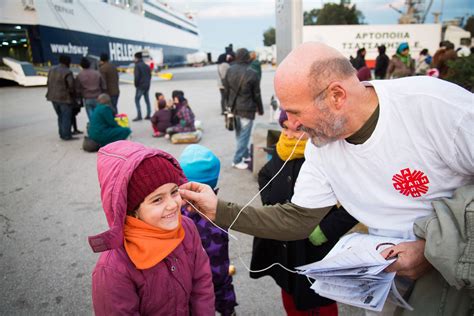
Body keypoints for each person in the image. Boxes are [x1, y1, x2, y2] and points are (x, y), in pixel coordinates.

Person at [179, 42, 473, 315]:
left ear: (336, 96)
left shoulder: (434, 107)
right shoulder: (321, 144)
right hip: (392, 278)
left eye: (295, 112)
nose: (289, 124)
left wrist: (434, 248)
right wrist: (220, 210)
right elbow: (298, 219)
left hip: (456, 268)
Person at [89, 140, 215, 315]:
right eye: (157, 199)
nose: (172, 205)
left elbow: (202, 283)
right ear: (132, 210)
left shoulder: (186, 227)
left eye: (174, 192)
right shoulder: (113, 269)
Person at [250, 110, 357, 315]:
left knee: (320, 295)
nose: (289, 135)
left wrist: (325, 230)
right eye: (285, 127)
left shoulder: (327, 155)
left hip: (314, 244)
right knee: (288, 287)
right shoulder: (281, 150)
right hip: (284, 242)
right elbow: (265, 175)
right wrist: (272, 206)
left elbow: (354, 201)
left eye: (298, 129)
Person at [179, 145, 238, 316]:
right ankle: (228, 310)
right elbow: (220, 272)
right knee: (220, 282)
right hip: (215, 277)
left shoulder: (177, 215)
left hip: (189, 285)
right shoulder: (220, 213)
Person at [223, 48, 264, 170]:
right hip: (247, 108)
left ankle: (245, 155)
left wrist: (227, 105)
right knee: (244, 135)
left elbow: (226, 90)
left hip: (234, 108)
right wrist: (260, 108)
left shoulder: (230, 70)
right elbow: (256, 94)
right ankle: (236, 160)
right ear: (247, 57)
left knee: (240, 134)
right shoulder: (252, 73)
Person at [46, 54, 77, 141]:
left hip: (52, 97)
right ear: (68, 62)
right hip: (64, 98)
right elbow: (71, 86)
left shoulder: (51, 70)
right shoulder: (67, 71)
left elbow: (48, 82)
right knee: (66, 116)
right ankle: (66, 135)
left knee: (60, 116)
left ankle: (61, 133)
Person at [133, 52, 152, 121]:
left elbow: (137, 77)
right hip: (147, 86)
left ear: (136, 58)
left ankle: (139, 115)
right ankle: (148, 114)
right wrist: (148, 84)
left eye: (134, 58)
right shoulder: (147, 66)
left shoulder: (137, 66)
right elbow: (150, 76)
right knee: (147, 100)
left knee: (137, 100)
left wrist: (136, 84)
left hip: (140, 86)